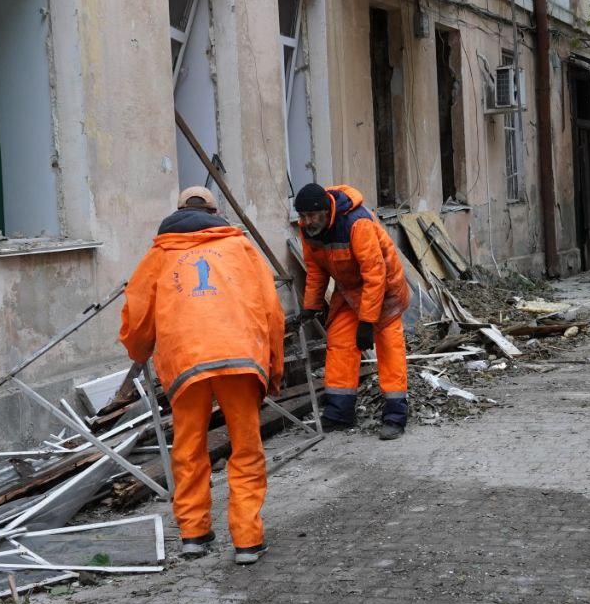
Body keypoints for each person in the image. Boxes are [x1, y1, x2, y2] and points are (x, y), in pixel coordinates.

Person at [119, 186, 284, 565]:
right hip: (239, 359)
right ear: (214, 212)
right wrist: (273, 368)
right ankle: (246, 541)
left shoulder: (159, 254)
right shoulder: (240, 248)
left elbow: (137, 312)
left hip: (185, 362)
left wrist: (140, 350)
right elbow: (272, 311)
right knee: (245, 448)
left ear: (178, 211)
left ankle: (194, 534)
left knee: (189, 448)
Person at [292, 183, 410, 440]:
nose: (306, 221)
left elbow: (375, 275)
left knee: (389, 346)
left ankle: (395, 415)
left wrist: (367, 323)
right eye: (302, 216)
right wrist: (310, 306)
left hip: (385, 289)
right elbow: (315, 270)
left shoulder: (357, 223)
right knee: (340, 344)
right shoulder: (308, 230)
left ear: (326, 211)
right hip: (349, 291)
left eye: (311, 216)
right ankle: (339, 413)